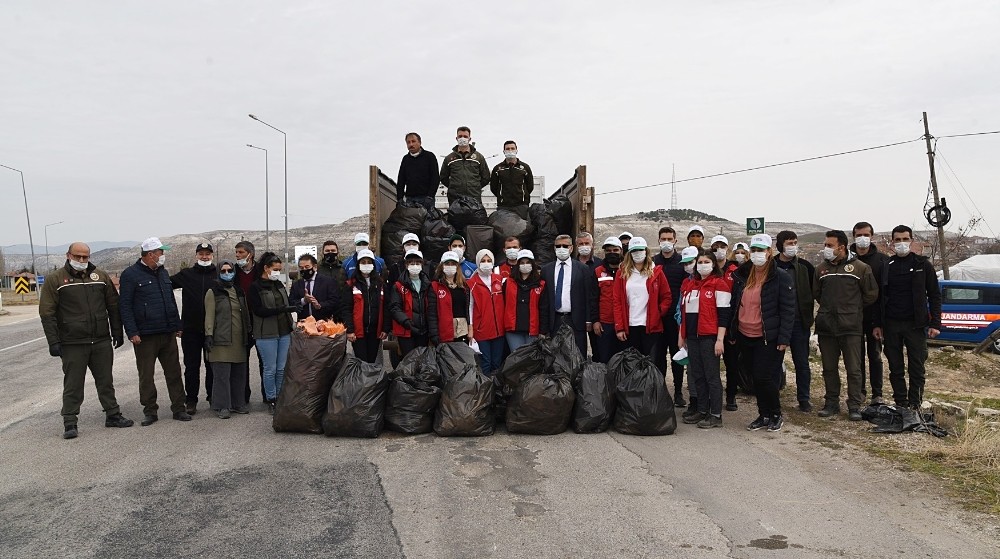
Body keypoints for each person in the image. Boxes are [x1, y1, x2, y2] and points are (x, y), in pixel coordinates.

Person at [40, 242, 134, 439]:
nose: (82, 261)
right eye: (78, 256)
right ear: (68, 255)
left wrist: (117, 332)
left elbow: (113, 306)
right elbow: (47, 313)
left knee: (105, 380)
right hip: (73, 342)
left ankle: (113, 415)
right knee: (73, 384)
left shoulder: (100, 277)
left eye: (85, 257)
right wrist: (53, 341)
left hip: (101, 340)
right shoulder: (55, 279)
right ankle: (70, 422)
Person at [727, 234, 795, 432]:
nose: (757, 254)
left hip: (768, 337)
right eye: (754, 250)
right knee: (753, 378)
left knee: (764, 377)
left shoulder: (780, 277)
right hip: (744, 335)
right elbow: (734, 305)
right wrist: (732, 332)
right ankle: (763, 414)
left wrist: (784, 337)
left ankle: (776, 413)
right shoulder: (743, 275)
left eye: (761, 250)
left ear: (769, 252)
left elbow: (788, 310)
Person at [119, 237, 191, 425]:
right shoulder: (130, 275)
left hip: (167, 333)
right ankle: (150, 411)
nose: (163, 256)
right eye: (161, 252)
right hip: (145, 336)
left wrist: (177, 325)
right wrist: (132, 331)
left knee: (174, 372)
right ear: (150, 254)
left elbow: (170, 300)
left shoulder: (162, 273)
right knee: (146, 375)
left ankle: (179, 408)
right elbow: (125, 306)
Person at [873, 225, 942, 410]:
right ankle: (901, 403)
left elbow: (935, 294)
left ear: (911, 240)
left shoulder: (922, 265)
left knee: (917, 367)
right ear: (892, 242)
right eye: (898, 240)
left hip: (916, 325)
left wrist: (935, 323)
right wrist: (878, 324)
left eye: (905, 239)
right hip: (891, 324)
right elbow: (879, 298)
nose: (901, 243)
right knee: (895, 367)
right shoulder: (886, 266)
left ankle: (915, 403)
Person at [814, 230, 878, 420]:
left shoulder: (860, 268)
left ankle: (854, 405)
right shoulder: (821, 269)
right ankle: (831, 403)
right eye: (825, 245)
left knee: (854, 369)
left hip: (850, 327)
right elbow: (817, 293)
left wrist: (852, 309)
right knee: (829, 368)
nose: (826, 248)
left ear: (841, 247)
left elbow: (871, 294)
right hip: (827, 326)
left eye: (829, 245)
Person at [678, 248, 732, 428]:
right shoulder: (689, 285)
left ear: (713, 264)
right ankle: (702, 410)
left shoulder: (719, 284)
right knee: (698, 376)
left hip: (710, 337)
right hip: (692, 337)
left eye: (706, 262)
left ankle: (715, 414)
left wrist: (719, 339)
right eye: (699, 262)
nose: (702, 265)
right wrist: (682, 335)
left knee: (711, 376)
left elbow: (724, 314)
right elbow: (684, 313)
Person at [169, 242, 216, 415]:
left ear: (212, 256)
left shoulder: (219, 274)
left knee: (212, 365)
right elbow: (165, 286)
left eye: (207, 254)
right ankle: (191, 400)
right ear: (196, 255)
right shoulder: (186, 274)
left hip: (212, 330)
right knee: (191, 367)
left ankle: (213, 397)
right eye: (201, 254)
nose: (204, 257)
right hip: (190, 330)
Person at [247, 252, 295, 414]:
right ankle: (271, 399)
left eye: (279, 270)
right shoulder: (255, 287)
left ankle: (280, 397)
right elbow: (259, 310)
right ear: (266, 268)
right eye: (275, 269)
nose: (277, 272)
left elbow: (287, 302)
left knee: (282, 368)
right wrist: (282, 309)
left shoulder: (279, 284)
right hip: (266, 333)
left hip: (284, 331)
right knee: (270, 368)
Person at [774, 230, 817, 412]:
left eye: (795, 242)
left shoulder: (805, 267)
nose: (792, 246)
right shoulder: (770, 265)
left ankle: (804, 399)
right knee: (775, 363)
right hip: (776, 323)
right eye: (789, 242)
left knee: (802, 363)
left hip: (799, 322)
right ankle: (773, 397)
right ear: (780, 245)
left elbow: (816, 291)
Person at [203, 260, 251, 419]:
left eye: (229, 270)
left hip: (239, 339)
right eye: (222, 271)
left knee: (239, 374)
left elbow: (245, 313)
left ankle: (238, 403)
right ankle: (221, 406)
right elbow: (209, 314)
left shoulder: (238, 291)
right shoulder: (213, 292)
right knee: (222, 375)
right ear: (218, 273)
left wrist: (249, 332)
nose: (226, 273)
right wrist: (209, 334)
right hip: (220, 340)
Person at [542, 234, 599, 358]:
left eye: (565, 246)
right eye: (558, 246)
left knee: (578, 355)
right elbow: (544, 299)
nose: (561, 248)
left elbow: (588, 295)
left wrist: (588, 319)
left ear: (571, 248)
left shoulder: (582, 269)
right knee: (556, 356)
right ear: (554, 248)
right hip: (555, 320)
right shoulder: (547, 270)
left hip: (576, 319)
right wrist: (544, 325)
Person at [851, 221, 889, 405]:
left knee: (874, 356)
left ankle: (877, 394)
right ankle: (859, 392)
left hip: (874, 319)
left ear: (871, 236)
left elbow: (884, 293)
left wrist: (880, 322)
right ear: (853, 237)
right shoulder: (847, 259)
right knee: (856, 358)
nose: (862, 239)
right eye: (859, 235)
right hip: (852, 318)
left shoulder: (881, 260)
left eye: (866, 235)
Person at [613, 237, 672, 356]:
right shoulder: (622, 273)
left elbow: (666, 296)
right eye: (634, 251)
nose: (637, 253)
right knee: (632, 364)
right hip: (629, 326)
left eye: (640, 250)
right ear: (629, 253)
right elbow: (617, 301)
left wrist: (658, 312)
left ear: (646, 251)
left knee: (650, 363)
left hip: (650, 327)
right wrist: (620, 327)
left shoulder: (656, 272)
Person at [653, 226, 689, 406]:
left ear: (675, 240)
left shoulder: (682, 263)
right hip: (658, 317)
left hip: (675, 318)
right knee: (658, 356)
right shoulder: (652, 263)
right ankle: (660, 392)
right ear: (658, 241)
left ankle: (678, 393)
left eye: (669, 239)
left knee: (677, 356)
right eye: (663, 239)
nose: (666, 242)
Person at [389, 250, 439, 358]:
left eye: (417, 263)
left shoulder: (428, 284)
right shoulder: (398, 286)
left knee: (423, 362)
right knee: (409, 362)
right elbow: (394, 308)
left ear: (422, 265)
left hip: (424, 331)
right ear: (406, 265)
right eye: (411, 263)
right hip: (406, 331)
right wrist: (407, 322)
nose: (415, 266)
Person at [234, 240, 265, 403]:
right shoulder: (233, 272)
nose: (238, 256)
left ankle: (268, 397)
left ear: (250, 254)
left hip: (260, 320)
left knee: (264, 361)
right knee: (241, 362)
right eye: (236, 253)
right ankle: (242, 397)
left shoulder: (261, 270)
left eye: (241, 252)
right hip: (241, 321)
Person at [468, 249, 507, 375]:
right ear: (478, 263)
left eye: (489, 260)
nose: (486, 263)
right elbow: (470, 306)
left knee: (497, 362)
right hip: (481, 331)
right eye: (483, 261)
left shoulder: (500, 280)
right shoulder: (471, 283)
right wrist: (471, 327)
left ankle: (495, 390)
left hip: (499, 330)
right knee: (486, 362)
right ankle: (485, 390)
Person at [346, 249, 388, 364]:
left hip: (375, 331)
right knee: (361, 361)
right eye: (363, 262)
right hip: (358, 331)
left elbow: (385, 307)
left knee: (372, 360)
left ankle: (372, 382)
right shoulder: (351, 284)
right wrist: (350, 330)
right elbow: (347, 309)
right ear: (358, 265)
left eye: (368, 262)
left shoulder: (381, 284)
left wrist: (385, 328)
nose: (366, 265)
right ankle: (362, 382)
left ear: (373, 265)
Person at [504, 250, 549, 352]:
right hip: (513, 330)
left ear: (533, 264)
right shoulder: (509, 282)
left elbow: (544, 308)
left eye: (528, 262)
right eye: (522, 263)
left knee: (530, 361)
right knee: (517, 359)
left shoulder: (541, 284)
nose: (525, 265)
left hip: (533, 330)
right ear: (518, 265)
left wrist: (543, 331)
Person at [593, 237, 626, 363]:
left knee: (623, 359)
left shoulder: (627, 271)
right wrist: (595, 320)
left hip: (624, 323)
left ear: (621, 251)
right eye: (608, 250)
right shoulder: (598, 272)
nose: (612, 253)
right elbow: (593, 298)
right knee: (605, 358)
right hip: (604, 324)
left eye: (615, 250)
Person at [441, 126, 490, 205]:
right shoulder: (449, 158)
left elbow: (486, 177)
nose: (462, 138)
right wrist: (454, 187)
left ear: (470, 139)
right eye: (460, 136)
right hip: (455, 199)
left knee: (475, 217)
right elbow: (443, 177)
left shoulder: (479, 157)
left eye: (465, 136)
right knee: (456, 217)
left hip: (474, 198)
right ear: (456, 138)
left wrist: (475, 187)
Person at [289, 254, 345, 322]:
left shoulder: (328, 282)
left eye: (307, 267)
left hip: (324, 323)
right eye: (301, 268)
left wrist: (319, 305)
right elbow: (291, 302)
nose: (304, 270)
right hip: (304, 324)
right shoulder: (297, 284)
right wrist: (304, 300)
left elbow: (335, 301)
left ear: (315, 267)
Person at [431, 251, 470, 345]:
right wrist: (434, 334)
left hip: (462, 331)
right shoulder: (435, 285)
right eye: (447, 263)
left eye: (453, 264)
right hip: (444, 332)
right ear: (442, 266)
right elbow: (431, 313)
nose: (450, 266)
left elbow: (468, 310)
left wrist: (470, 327)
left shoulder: (464, 286)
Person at [396, 132, 439, 210]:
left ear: (419, 142)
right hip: (410, 200)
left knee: (428, 222)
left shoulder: (429, 157)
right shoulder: (405, 159)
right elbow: (401, 179)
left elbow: (435, 178)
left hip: (426, 199)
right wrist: (400, 198)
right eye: (408, 142)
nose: (411, 144)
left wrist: (430, 196)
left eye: (413, 141)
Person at [489, 140, 534, 208]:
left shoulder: (525, 168)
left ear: (516, 150)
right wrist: (501, 197)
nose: (510, 151)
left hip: (522, 206)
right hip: (503, 206)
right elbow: (493, 187)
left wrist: (524, 197)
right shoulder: (497, 169)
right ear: (504, 151)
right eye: (507, 149)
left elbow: (530, 186)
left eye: (512, 148)